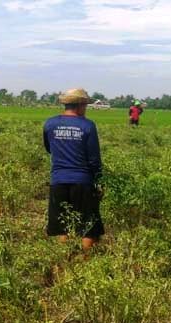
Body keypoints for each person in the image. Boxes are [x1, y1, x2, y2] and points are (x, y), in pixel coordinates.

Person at [43, 88, 104, 254]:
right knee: (88, 225)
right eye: (85, 105)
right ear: (80, 105)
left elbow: (49, 149)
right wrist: (99, 182)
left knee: (61, 225)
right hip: (83, 181)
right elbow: (94, 159)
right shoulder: (88, 126)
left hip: (58, 181)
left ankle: (65, 260)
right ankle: (83, 263)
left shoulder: (50, 123)